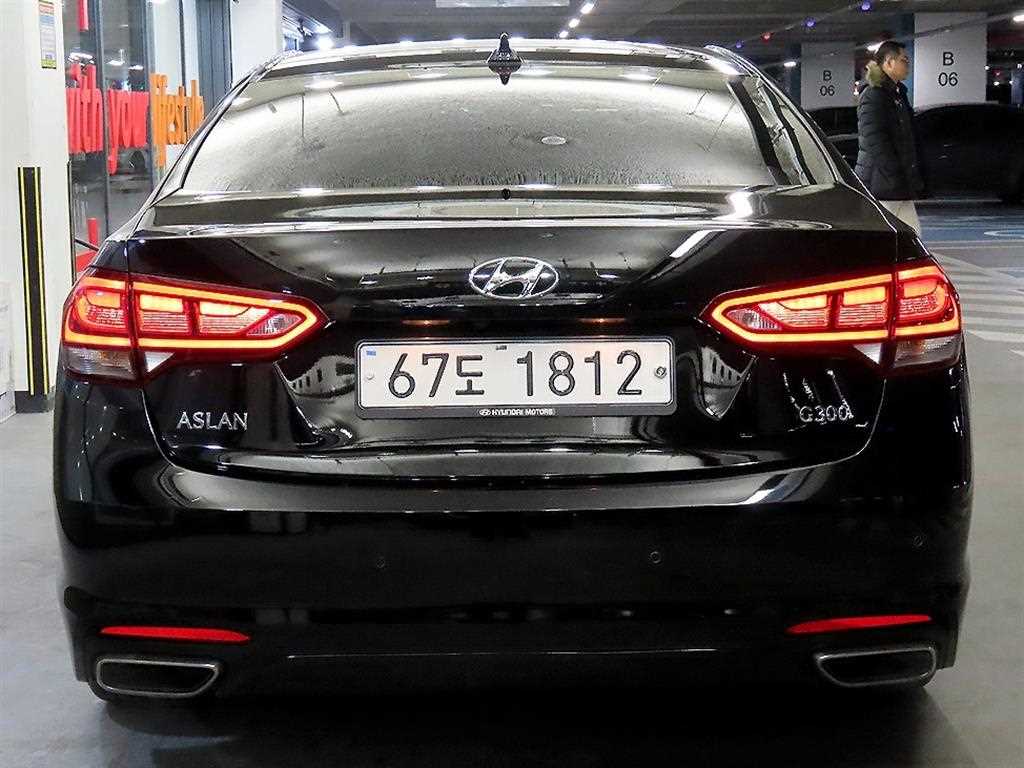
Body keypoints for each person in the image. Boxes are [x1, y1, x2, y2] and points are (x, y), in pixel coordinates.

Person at [854, 40, 924, 233]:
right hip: (881, 183)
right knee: (884, 236)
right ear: (889, 62)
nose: (907, 65)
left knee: (911, 234)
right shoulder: (874, 95)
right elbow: (875, 139)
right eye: (904, 60)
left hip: (896, 184)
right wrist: (894, 174)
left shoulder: (897, 94)